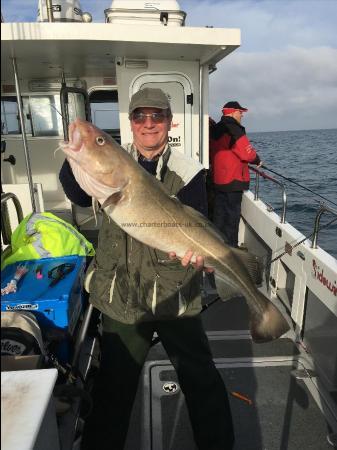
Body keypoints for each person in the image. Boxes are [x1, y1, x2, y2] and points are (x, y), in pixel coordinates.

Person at [59, 88, 234, 450]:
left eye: (157, 116)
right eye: (140, 117)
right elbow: (75, 193)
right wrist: (82, 151)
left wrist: (198, 257)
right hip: (122, 295)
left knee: (201, 379)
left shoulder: (187, 172)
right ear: (132, 123)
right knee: (113, 390)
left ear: (170, 123)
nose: (148, 124)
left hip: (175, 296)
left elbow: (198, 220)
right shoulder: (113, 164)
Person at [209, 101, 262, 247]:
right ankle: (231, 249)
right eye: (240, 112)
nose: (242, 115)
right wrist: (257, 160)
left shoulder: (215, 129)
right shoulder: (234, 128)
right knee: (232, 219)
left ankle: (216, 246)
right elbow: (247, 153)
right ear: (232, 112)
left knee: (219, 216)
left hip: (218, 180)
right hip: (233, 180)